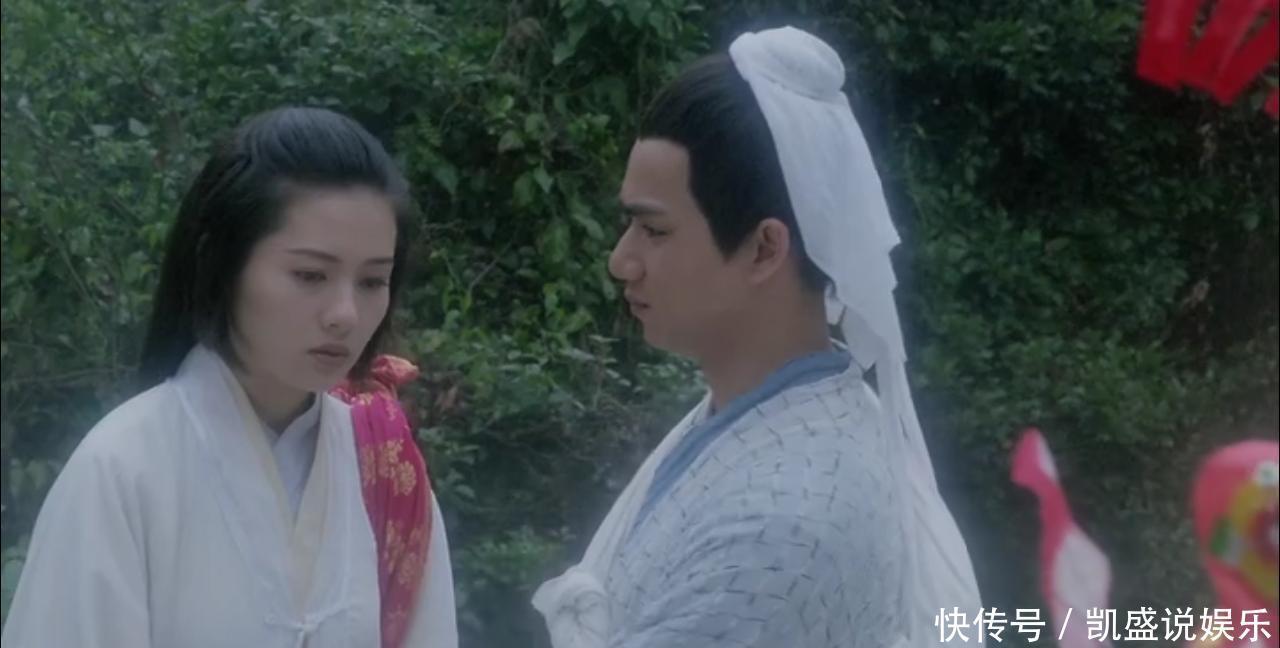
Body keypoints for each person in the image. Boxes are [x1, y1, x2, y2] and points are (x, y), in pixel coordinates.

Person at [533, 27, 983, 647]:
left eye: (654, 231)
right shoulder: (768, 413)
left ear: (765, 248)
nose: (621, 261)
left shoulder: (782, 533)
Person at [0, 107, 458, 648]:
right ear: (220, 264)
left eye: (372, 281)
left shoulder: (383, 467)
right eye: (310, 274)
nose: (345, 313)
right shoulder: (124, 468)